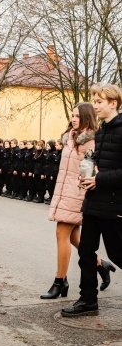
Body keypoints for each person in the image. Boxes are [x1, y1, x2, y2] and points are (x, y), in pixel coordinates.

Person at [42, 102, 114, 300]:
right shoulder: (70, 138)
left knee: (61, 233)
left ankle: (60, 281)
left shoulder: (91, 142)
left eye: (77, 116)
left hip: (77, 194)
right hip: (64, 192)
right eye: (72, 115)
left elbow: (91, 170)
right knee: (74, 237)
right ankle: (101, 264)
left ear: (86, 117)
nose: (73, 119)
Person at [62, 84, 122, 317]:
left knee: (117, 253)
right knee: (86, 252)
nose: (94, 106)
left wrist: (100, 178)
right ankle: (88, 301)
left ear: (113, 103)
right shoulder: (102, 130)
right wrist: (88, 172)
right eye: (94, 101)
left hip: (113, 204)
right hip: (93, 201)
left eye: (99, 102)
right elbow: (100, 163)